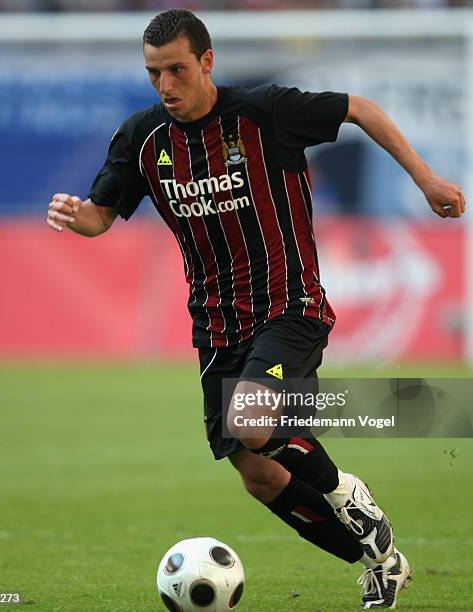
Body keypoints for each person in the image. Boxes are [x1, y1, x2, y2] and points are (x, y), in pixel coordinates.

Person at [46, 9, 465, 609]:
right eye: (153, 73)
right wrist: (74, 216)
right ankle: (378, 558)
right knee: (258, 472)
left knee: (251, 422)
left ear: (207, 62)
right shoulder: (144, 140)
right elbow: (102, 214)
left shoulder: (264, 113)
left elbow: (362, 109)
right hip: (216, 324)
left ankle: (352, 496)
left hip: (289, 306)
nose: (165, 85)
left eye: (177, 69)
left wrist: (426, 180)